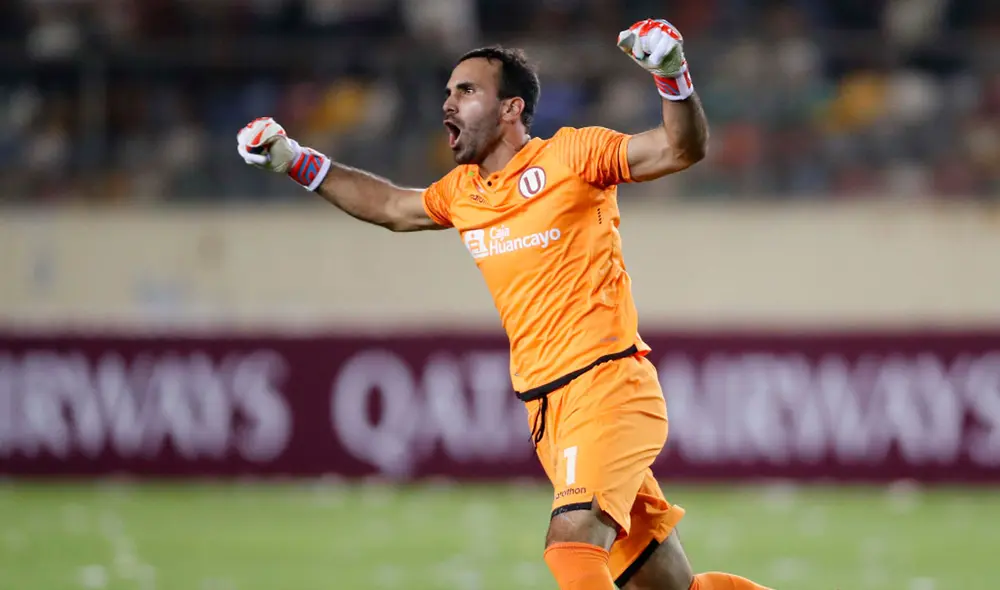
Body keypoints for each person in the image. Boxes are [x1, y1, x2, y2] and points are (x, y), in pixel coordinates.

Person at [237, 18, 773, 590]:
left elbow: (679, 147)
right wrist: (295, 161)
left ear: (511, 108)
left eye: (466, 91)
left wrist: (672, 76)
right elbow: (394, 207)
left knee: (570, 545)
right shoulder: (464, 192)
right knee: (667, 588)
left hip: (607, 389)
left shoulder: (572, 157)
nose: (448, 103)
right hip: (548, 414)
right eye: (447, 92)